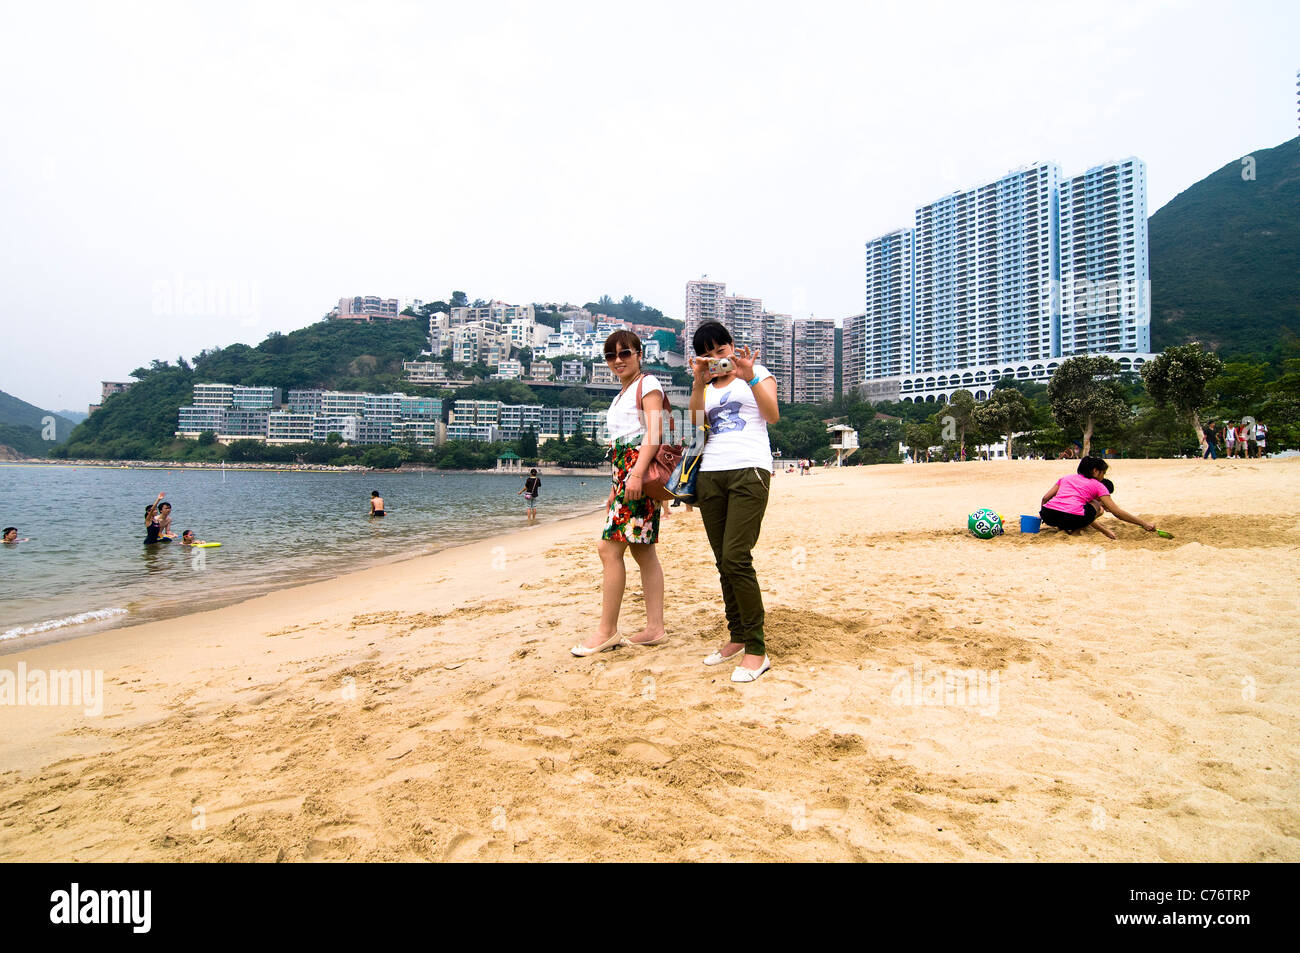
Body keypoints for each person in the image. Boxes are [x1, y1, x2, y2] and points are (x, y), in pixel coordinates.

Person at [689, 320, 780, 683]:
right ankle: (737, 636)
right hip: (711, 475)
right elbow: (696, 424)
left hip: (749, 472)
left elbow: (772, 415)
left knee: (736, 557)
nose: (716, 358)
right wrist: (698, 382)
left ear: (731, 345)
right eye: (707, 354)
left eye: (720, 349)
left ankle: (757, 649)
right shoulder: (706, 386)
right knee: (722, 561)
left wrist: (750, 375)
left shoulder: (755, 372)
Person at [571, 330, 667, 656]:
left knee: (608, 549)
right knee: (643, 553)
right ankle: (655, 627)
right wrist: (616, 486)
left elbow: (653, 434)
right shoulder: (621, 393)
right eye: (611, 356)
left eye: (625, 353)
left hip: (638, 472)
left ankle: (607, 630)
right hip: (625, 475)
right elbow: (620, 445)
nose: (618, 361)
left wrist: (636, 474)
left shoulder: (647, 385)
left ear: (639, 353)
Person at [1039, 457, 1155, 537]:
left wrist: (1043, 516)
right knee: (1097, 506)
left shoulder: (1066, 478)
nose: (1103, 476)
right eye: (1103, 473)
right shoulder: (1098, 486)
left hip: (1048, 515)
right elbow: (1117, 512)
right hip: (1073, 517)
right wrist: (1144, 523)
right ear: (1095, 471)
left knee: (1075, 508)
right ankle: (1076, 532)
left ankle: (1063, 528)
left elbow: (1045, 498)